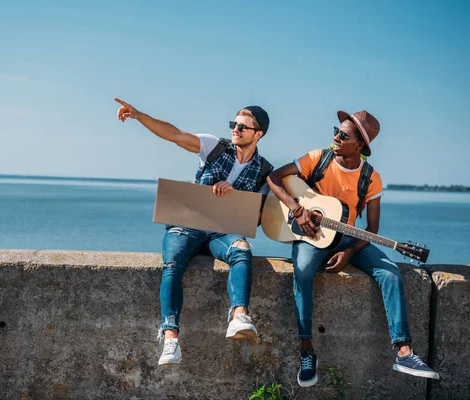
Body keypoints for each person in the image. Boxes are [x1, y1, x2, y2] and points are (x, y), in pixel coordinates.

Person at [267, 110, 439, 387]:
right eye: (336, 130)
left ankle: (404, 351)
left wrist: (349, 253)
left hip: (348, 240)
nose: (335, 137)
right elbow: (274, 178)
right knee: (302, 271)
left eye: (343, 135)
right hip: (312, 236)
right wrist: (297, 209)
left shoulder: (371, 178)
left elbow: (371, 229)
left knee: (391, 273)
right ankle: (306, 350)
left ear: (360, 145)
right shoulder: (317, 158)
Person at [115, 97, 273, 365]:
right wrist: (139, 115)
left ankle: (238, 317)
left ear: (258, 135)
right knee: (173, 263)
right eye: (233, 124)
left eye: (242, 127)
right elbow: (174, 135)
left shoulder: (265, 171)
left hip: (221, 233)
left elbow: (258, 219)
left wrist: (236, 197)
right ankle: (171, 338)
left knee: (242, 250)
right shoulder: (215, 146)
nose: (235, 129)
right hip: (187, 225)